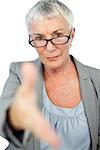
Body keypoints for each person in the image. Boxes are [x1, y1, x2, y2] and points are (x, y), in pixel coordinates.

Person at [0, 0, 100, 149]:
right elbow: (4, 123)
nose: (50, 48)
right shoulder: (20, 73)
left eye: (58, 35)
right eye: (39, 38)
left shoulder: (96, 79)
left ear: (72, 35)